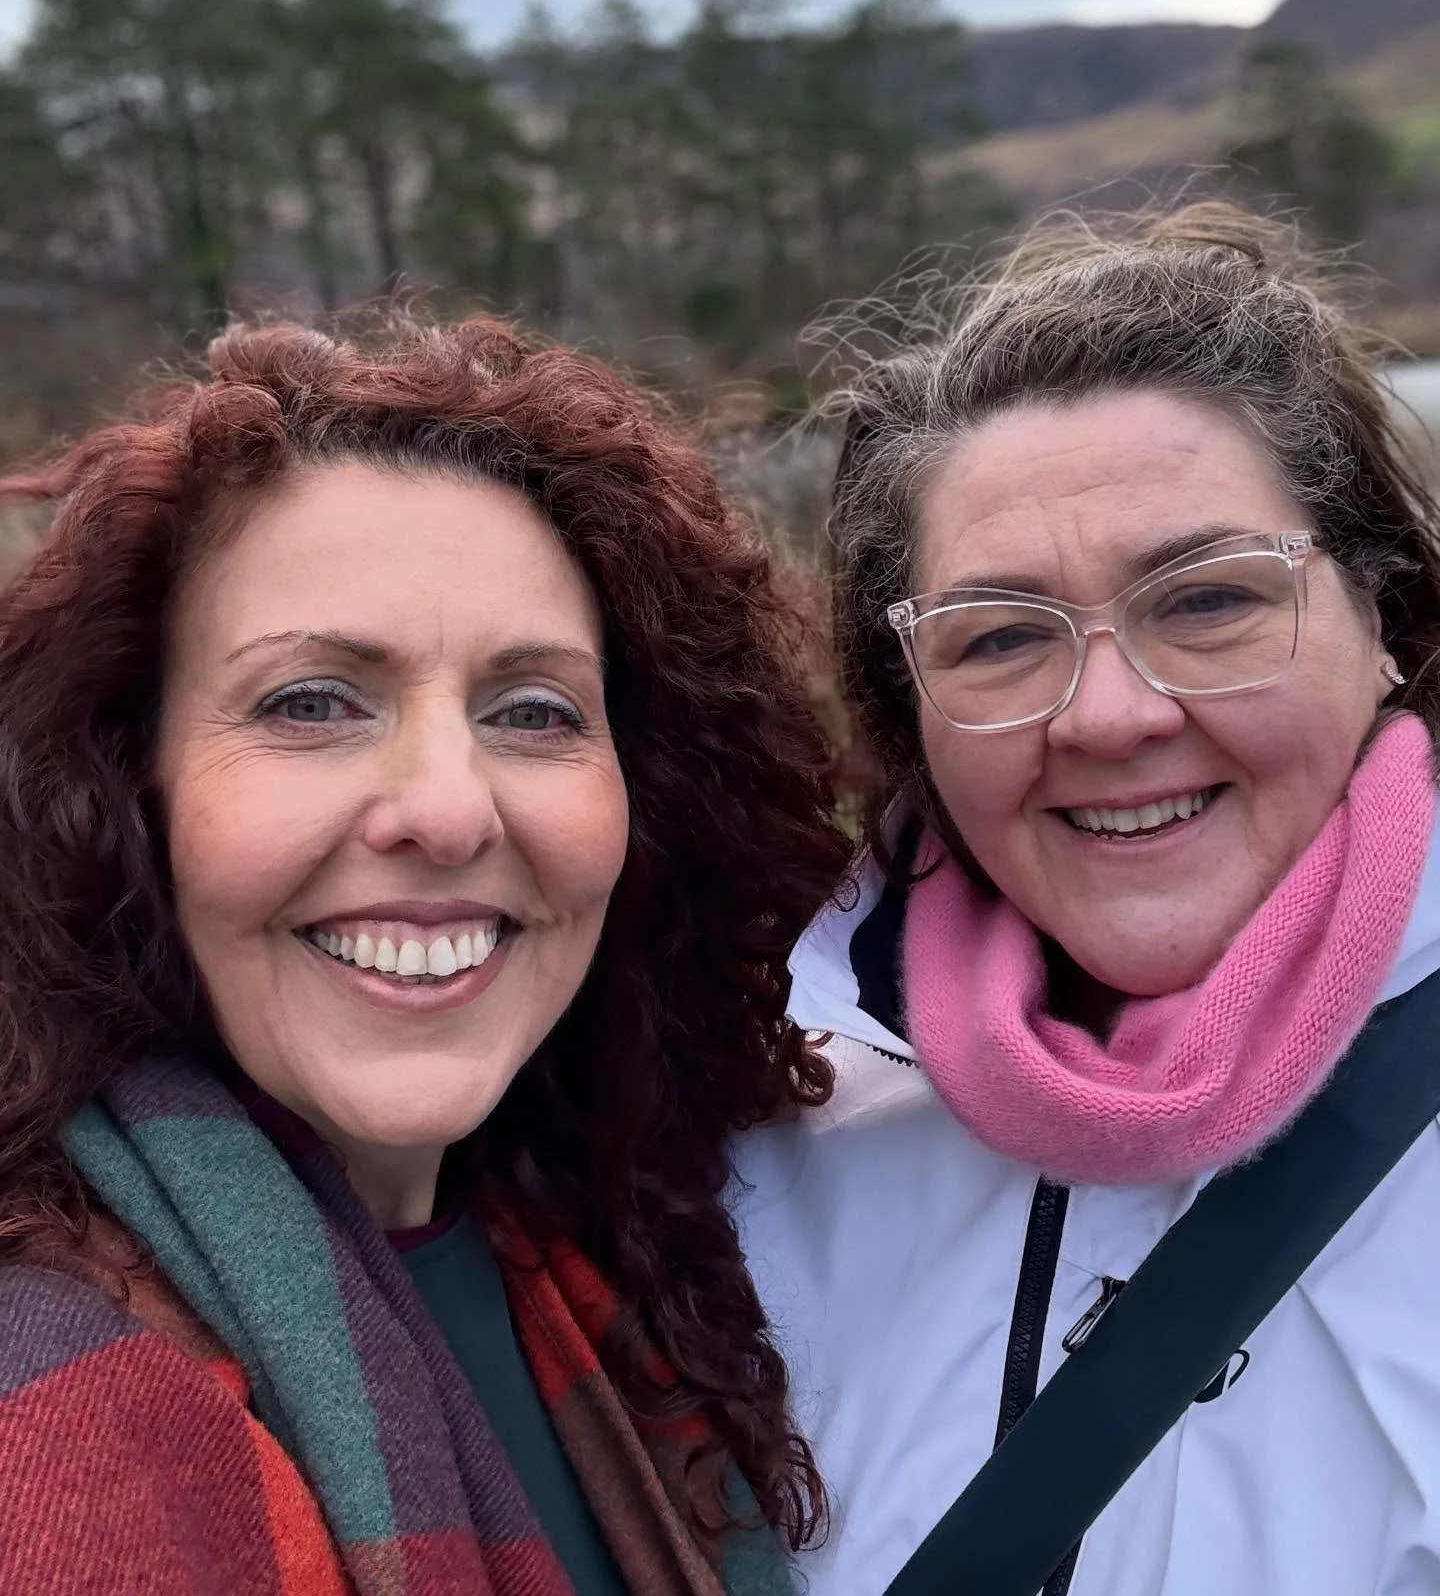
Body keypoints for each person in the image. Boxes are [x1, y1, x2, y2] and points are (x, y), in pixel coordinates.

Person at [0, 312, 848, 1595]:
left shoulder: (633, 1265)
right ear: (126, 786)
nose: (449, 810)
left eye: (534, 711)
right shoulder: (47, 1408)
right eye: (312, 703)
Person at [731, 203, 1440, 1596]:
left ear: (1389, 626)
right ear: (907, 711)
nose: (1110, 716)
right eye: (999, 638)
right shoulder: (756, 1150)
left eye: (1211, 602)